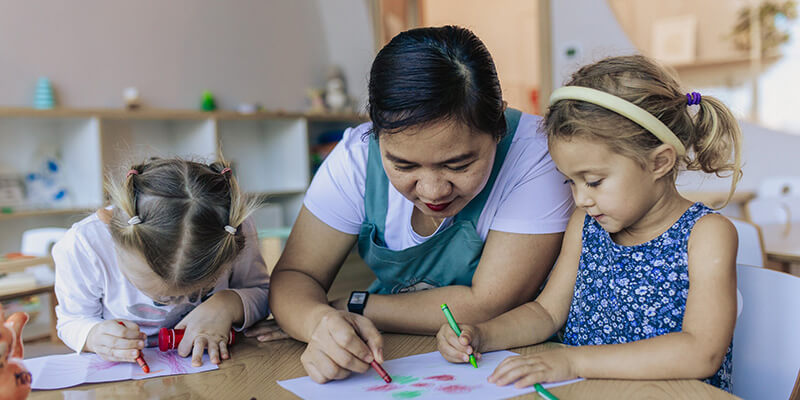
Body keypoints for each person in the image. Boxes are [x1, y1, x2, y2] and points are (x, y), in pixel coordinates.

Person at [265, 25, 573, 384]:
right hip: (392, 351)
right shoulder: (355, 158)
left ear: (499, 124)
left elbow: (488, 304)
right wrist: (320, 323)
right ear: (375, 133)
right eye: (404, 165)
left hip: (504, 360)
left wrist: (355, 304)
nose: (432, 190)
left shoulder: (535, 156)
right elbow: (295, 275)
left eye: (458, 165)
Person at [436, 55, 741, 392]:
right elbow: (546, 314)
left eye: (593, 181)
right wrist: (482, 333)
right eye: (570, 182)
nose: (580, 199)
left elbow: (701, 352)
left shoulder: (707, 234)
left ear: (659, 162)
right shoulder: (586, 224)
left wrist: (573, 361)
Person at [54, 158, 273, 367]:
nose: (171, 302)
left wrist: (228, 304)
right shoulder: (85, 245)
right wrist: (92, 336)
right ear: (112, 232)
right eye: (158, 294)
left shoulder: (231, 232)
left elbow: (265, 295)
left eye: (193, 291)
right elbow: (72, 320)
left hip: (224, 366)